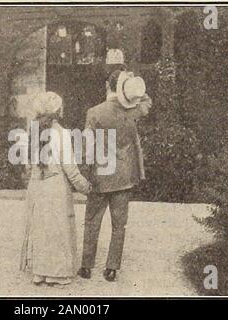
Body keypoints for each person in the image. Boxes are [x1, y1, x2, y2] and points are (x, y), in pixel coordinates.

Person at [78, 70, 152, 282]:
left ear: (107, 86)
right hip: (124, 176)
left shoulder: (94, 112)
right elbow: (147, 99)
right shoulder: (134, 111)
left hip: (100, 175)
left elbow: (87, 147)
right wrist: (132, 86)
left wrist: (85, 172)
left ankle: (86, 266)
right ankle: (111, 268)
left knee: (92, 221)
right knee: (119, 224)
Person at [20, 91, 92, 286]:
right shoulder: (61, 134)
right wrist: (86, 187)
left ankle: (39, 273)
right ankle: (56, 274)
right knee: (58, 228)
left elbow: (29, 165)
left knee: (41, 227)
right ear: (58, 111)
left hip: (37, 186)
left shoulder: (32, 131)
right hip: (56, 186)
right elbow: (70, 168)